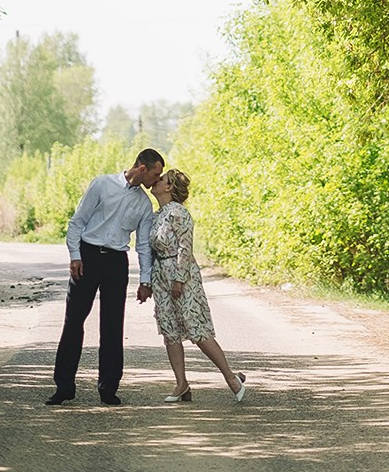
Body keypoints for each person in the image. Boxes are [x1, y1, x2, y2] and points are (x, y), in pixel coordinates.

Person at [45, 148, 165, 406]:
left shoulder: (144, 204)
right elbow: (77, 222)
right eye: (156, 173)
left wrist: (146, 281)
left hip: (116, 263)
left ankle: (108, 388)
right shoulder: (102, 185)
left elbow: (143, 245)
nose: (158, 179)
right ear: (142, 168)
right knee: (73, 321)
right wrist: (75, 255)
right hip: (87, 258)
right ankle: (64, 387)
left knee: (113, 326)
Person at [149, 167, 246, 403]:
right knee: (170, 330)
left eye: (160, 179)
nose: (155, 181)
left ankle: (231, 378)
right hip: (161, 275)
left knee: (196, 328)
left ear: (169, 187)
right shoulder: (156, 215)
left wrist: (179, 279)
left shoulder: (178, 213)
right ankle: (181, 383)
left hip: (182, 276)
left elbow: (185, 246)